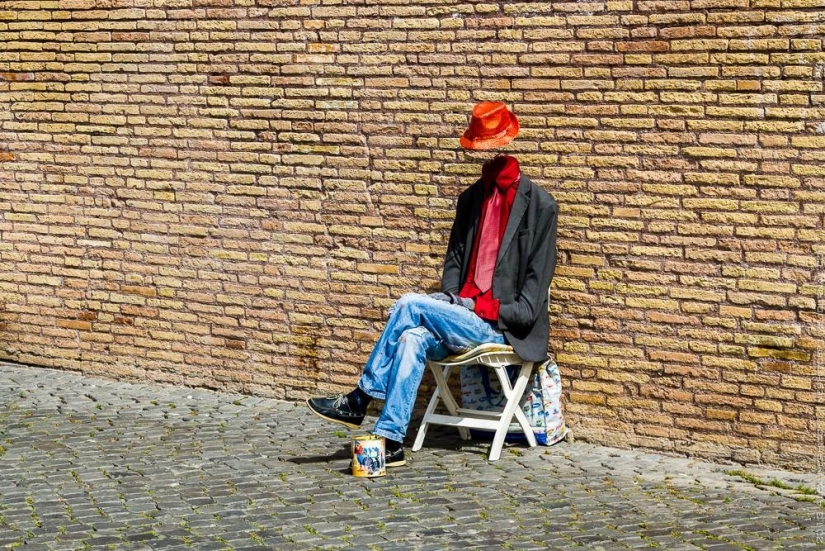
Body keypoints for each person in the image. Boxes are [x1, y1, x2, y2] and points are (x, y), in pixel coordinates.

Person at [307, 101, 559, 467]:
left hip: (501, 328)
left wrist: (474, 306)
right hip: (459, 319)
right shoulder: (470, 199)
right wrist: (452, 300)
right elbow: (453, 269)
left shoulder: (540, 207)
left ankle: (361, 397)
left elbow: (528, 309)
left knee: (410, 303)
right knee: (411, 337)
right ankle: (391, 441)